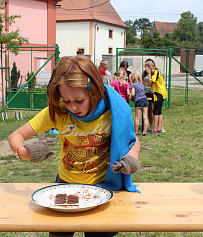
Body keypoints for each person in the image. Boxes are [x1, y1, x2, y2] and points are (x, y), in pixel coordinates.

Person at [8, 55, 141, 237]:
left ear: (93, 90)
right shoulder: (58, 111)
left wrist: (132, 157)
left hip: (103, 188)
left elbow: (133, 140)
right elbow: (15, 136)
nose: (73, 107)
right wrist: (24, 152)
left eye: (79, 101)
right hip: (65, 185)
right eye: (66, 100)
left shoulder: (114, 109)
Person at [143, 60, 167, 134]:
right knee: (159, 111)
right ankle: (159, 128)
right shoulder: (155, 73)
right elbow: (151, 85)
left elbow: (150, 81)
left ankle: (155, 129)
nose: (145, 69)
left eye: (146, 67)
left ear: (150, 68)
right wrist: (144, 84)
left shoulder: (156, 73)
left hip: (159, 94)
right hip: (158, 93)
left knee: (156, 112)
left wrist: (149, 74)